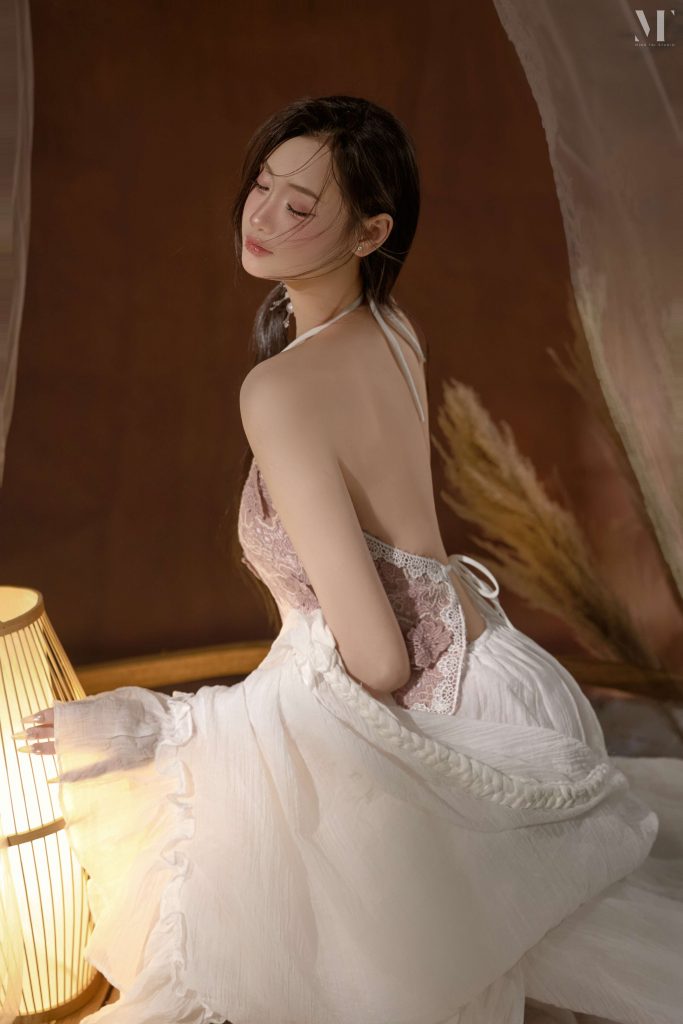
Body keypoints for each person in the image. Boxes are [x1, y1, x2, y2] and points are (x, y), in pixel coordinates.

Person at [17, 95, 683, 1024]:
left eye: (299, 205)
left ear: (372, 232)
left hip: (451, 732)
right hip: (511, 678)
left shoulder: (279, 392)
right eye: (262, 184)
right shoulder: (392, 326)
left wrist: (166, 725)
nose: (261, 215)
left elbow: (376, 660)